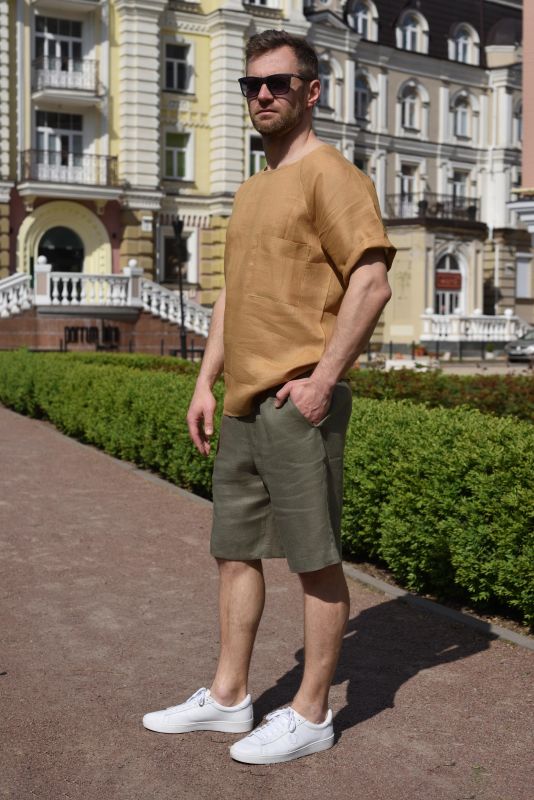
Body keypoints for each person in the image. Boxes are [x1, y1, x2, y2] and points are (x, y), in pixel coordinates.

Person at [143, 29, 396, 765]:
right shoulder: (252, 189)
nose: (262, 95)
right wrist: (205, 381)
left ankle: (312, 714)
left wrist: (323, 381)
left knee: (314, 560)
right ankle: (229, 698)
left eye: (277, 83)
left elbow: (372, 283)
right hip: (244, 404)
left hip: (297, 404)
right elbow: (233, 294)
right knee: (234, 552)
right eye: (251, 84)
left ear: (310, 92)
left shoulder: (332, 176)